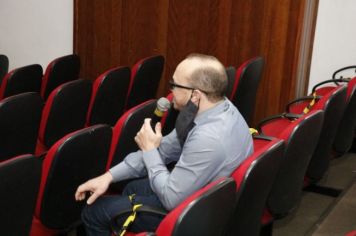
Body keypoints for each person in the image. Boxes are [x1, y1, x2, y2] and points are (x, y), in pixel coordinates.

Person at [75, 53, 253, 236]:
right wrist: (108, 177)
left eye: (175, 85)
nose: (170, 90)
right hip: (205, 195)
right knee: (131, 188)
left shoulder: (209, 138)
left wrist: (150, 150)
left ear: (196, 95)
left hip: (193, 214)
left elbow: (170, 199)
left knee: (93, 213)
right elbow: (166, 148)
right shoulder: (218, 107)